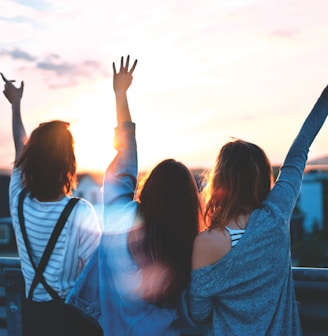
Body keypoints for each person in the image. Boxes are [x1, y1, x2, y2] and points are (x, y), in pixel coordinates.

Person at [67, 55, 202, 335]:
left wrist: (120, 94)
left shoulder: (121, 218)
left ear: (150, 188)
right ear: (188, 203)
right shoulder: (187, 246)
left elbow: (125, 158)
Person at [187, 83, 328, 335]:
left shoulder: (206, 243)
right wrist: (324, 100)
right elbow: (299, 153)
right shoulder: (276, 215)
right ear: (263, 178)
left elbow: (198, 315)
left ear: (220, 180)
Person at [1, 73, 102, 336]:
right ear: (69, 162)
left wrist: (15, 105)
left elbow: (20, 150)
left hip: (32, 318)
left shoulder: (18, 199)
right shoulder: (80, 212)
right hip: (71, 320)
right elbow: (96, 273)